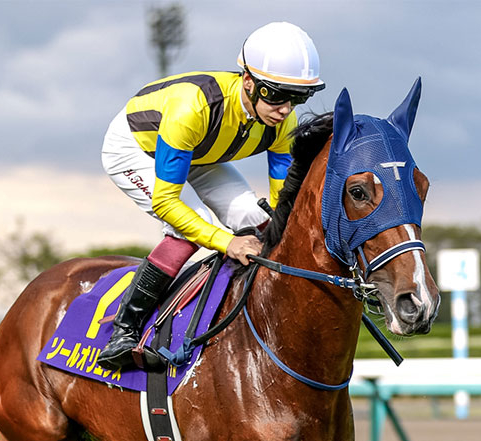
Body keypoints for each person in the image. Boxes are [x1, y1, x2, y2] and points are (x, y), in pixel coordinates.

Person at [97, 21, 325, 370]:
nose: (284, 109)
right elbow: (166, 202)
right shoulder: (193, 108)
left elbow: (282, 207)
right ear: (248, 81)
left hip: (201, 151)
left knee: (256, 219)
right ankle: (124, 333)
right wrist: (227, 242)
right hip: (138, 148)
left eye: (298, 98)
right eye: (276, 95)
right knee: (195, 227)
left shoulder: (283, 124)